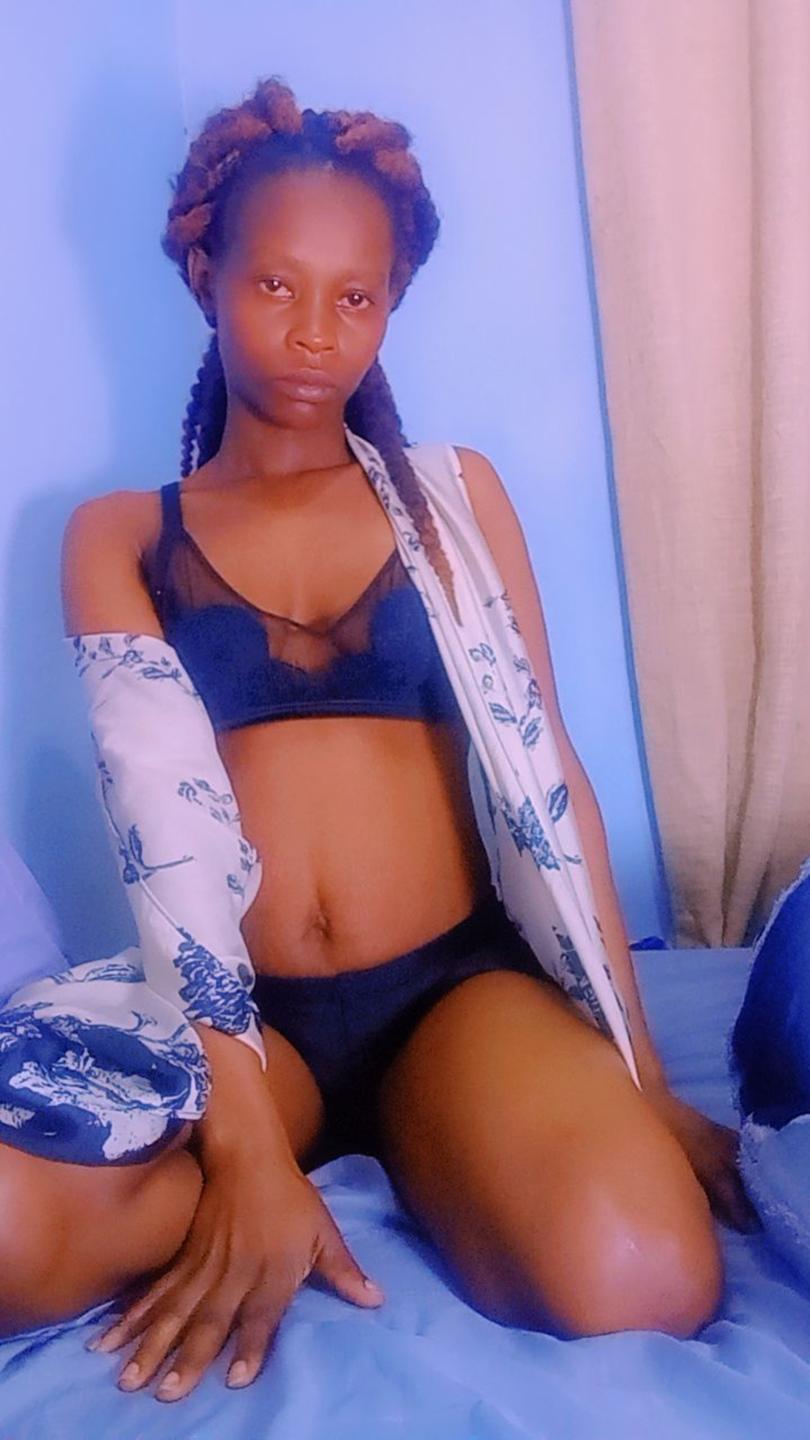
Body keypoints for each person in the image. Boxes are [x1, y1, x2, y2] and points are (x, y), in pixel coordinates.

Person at [2, 76, 757, 1403]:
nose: (314, 332)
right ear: (206, 277)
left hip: (447, 998)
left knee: (643, 1274)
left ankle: (443, 1132)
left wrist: (637, 1072)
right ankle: (272, 1169)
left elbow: (549, 778)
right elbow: (158, 827)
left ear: (392, 302)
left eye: (355, 297)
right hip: (240, 1020)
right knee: (10, 1239)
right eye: (275, 285)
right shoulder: (120, 534)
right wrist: (245, 1142)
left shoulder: (454, 499)